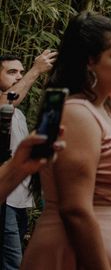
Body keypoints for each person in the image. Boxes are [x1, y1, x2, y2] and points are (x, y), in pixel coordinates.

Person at [22, 12, 111, 270]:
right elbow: (75, 209)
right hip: (83, 250)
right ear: (89, 62)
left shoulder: (103, 111)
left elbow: (108, 191)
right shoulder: (76, 112)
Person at [0, 50, 55, 269]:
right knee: (14, 264)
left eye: (21, 72)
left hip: (19, 200)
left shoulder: (19, 115)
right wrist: (36, 70)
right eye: (11, 72)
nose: (19, 77)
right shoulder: (6, 107)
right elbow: (6, 103)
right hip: (4, 199)